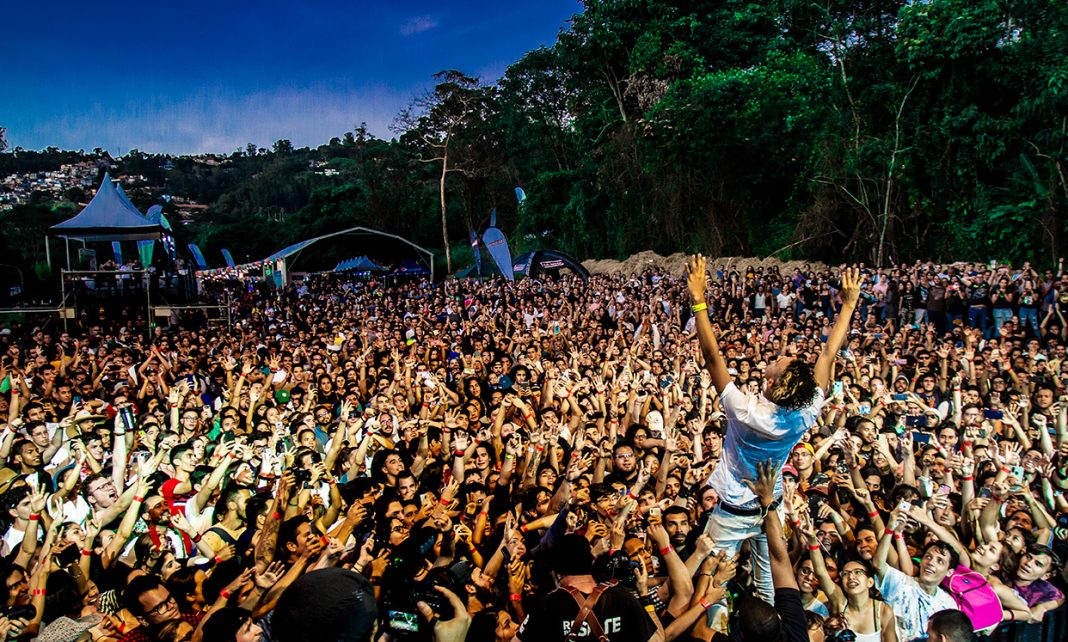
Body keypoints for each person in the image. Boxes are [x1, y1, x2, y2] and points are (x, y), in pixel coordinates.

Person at [688, 254, 862, 602]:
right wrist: (848, 305)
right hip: (772, 502)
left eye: (783, 362)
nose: (785, 355)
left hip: (735, 507)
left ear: (773, 382)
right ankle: (775, 622)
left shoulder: (746, 410)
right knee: (770, 583)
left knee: (711, 581)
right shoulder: (806, 410)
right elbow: (828, 354)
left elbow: (711, 357)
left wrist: (698, 299)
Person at [513, 533, 662, 642]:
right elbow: (657, 639)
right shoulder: (623, 597)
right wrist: (644, 596)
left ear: (556, 573)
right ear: (590, 562)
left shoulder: (546, 606)